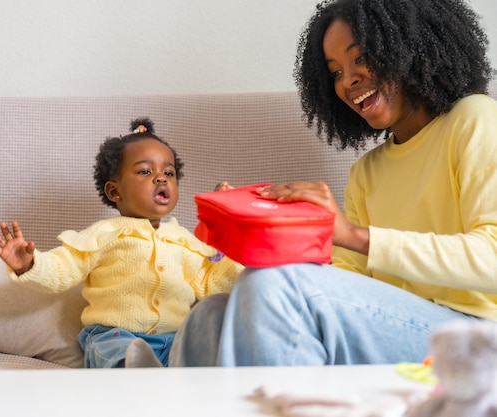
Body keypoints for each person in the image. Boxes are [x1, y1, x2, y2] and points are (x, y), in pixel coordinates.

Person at [169, 0, 497, 367]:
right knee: (210, 314)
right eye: (335, 71)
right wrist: (260, 229)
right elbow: (344, 288)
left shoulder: (474, 118)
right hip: (404, 330)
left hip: (477, 337)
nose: (348, 80)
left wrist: (353, 234)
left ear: (407, 49)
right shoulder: (366, 174)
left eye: (361, 58)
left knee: (277, 287)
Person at [0, 118, 243, 368]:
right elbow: (63, 268)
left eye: (168, 172)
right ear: (114, 191)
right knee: (112, 349)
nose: (161, 178)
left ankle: (171, 372)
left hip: (174, 338)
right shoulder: (103, 234)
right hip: (116, 335)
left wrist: (228, 224)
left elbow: (214, 283)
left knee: (202, 340)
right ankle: (133, 371)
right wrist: (29, 264)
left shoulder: (184, 241)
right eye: (145, 171)